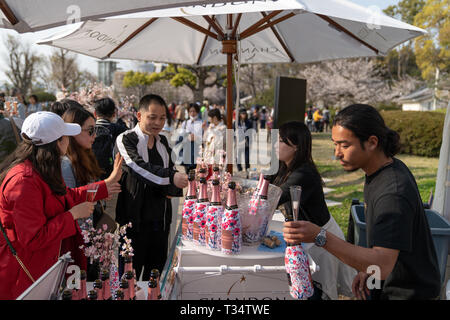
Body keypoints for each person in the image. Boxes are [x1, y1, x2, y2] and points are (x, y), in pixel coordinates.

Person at [283, 104, 441, 300]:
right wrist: (368, 269)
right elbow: (389, 244)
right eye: (335, 144)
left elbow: (383, 264)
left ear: (372, 142)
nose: (337, 153)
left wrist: (319, 235)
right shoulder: (381, 171)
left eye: (345, 145)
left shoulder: (392, 193)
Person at [0, 111, 122, 299]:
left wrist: (105, 186)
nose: (68, 141)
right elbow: (33, 238)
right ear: (56, 143)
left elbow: (66, 196)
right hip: (23, 275)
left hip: (41, 266)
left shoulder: (40, 169)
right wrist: (72, 215)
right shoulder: (23, 181)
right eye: (65, 137)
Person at [270, 121, 355, 300]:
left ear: (296, 146)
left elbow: (276, 196)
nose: (276, 145)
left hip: (322, 241)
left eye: (282, 141)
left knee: (321, 292)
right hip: (308, 238)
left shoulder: (304, 173)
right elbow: (267, 185)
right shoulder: (285, 167)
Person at [115, 94, 188, 280]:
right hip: (133, 221)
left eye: (162, 118)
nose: (158, 123)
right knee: (128, 278)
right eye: (152, 117)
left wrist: (174, 185)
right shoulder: (126, 139)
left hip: (159, 222)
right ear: (139, 116)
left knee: (155, 277)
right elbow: (138, 168)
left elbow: (170, 168)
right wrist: (172, 178)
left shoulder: (162, 141)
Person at [92, 98, 128, 180]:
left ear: (95, 113)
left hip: (91, 175)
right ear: (114, 114)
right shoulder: (120, 129)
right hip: (113, 175)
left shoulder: (87, 130)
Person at [179, 103, 203, 174]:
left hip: (197, 149)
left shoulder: (201, 123)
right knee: (188, 170)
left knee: (197, 169)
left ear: (197, 112)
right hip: (187, 148)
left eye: (194, 111)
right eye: (190, 111)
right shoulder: (185, 123)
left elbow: (205, 136)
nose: (192, 113)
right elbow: (181, 135)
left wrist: (197, 138)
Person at [234, 108, 252, 175]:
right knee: (238, 158)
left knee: (247, 159)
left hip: (246, 143)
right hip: (238, 143)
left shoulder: (249, 122)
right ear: (240, 115)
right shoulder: (236, 123)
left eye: (244, 114)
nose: (243, 115)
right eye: (242, 114)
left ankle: (247, 170)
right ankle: (240, 170)